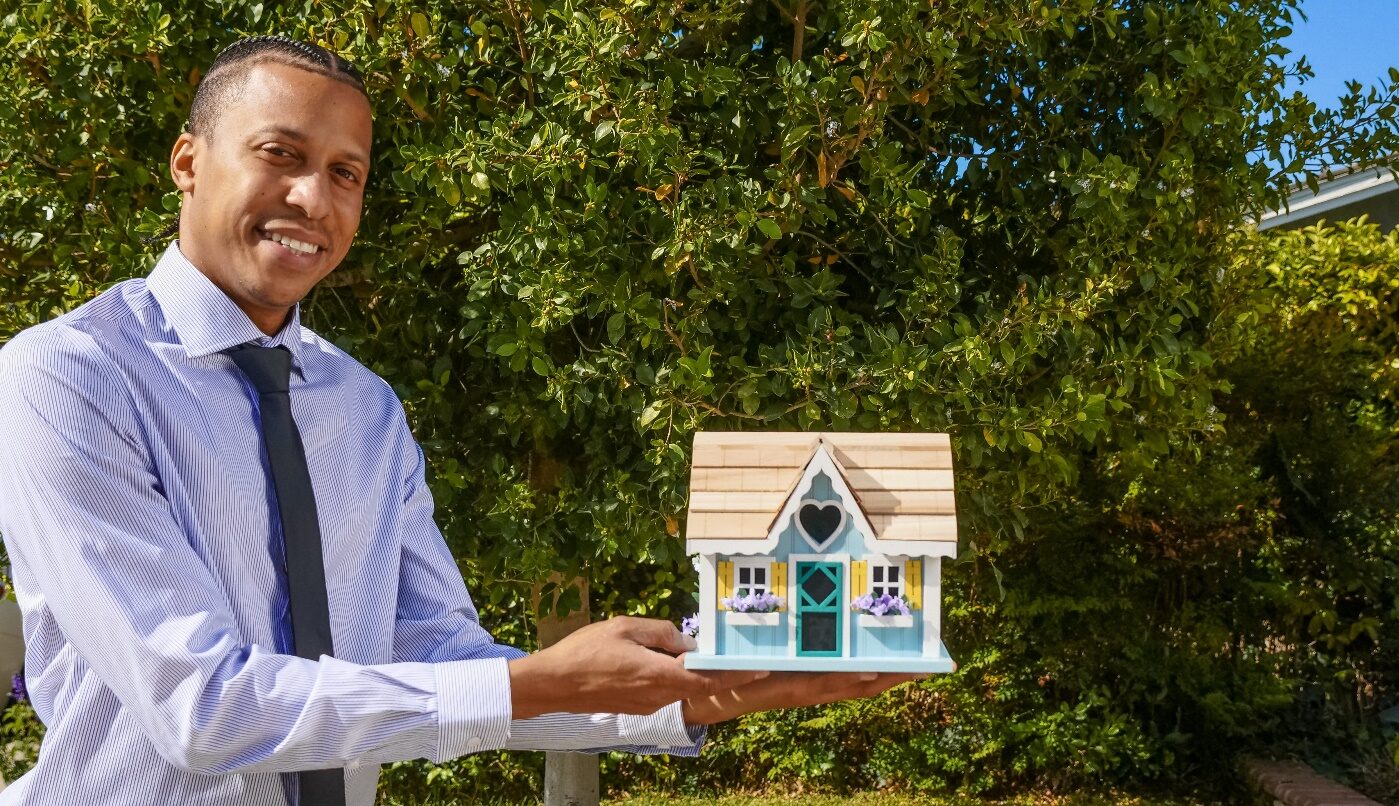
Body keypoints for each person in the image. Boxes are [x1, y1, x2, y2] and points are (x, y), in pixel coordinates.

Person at [0, 36, 917, 805]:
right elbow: (200, 707)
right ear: (188, 160)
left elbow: (444, 661)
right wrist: (536, 680)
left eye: (345, 172)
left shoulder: (362, 408)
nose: (314, 200)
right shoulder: (67, 376)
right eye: (280, 154)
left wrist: (702, 692)